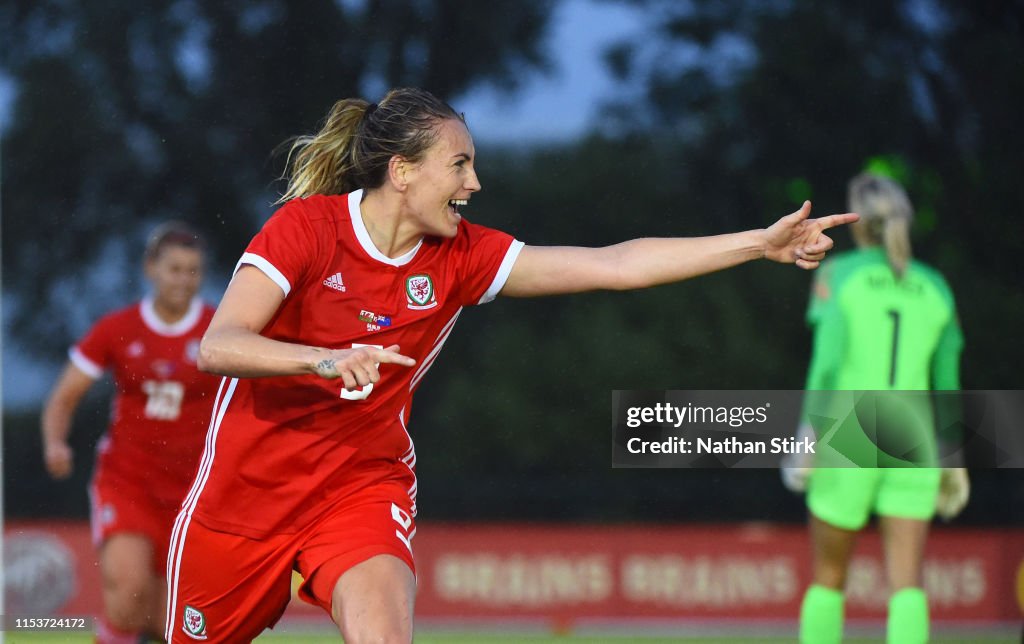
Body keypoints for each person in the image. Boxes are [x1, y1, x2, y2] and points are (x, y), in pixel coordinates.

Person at [164, 87, 857, 644]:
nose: (476, 181)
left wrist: (754, 244)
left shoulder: (463, 254)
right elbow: (218, 345)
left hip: (358, 486)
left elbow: (614, 265)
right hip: (242, 494)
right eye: (459, 164)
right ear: (402, 172)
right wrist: (323, 360)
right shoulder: (307, 230)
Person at [783, 172, 969, 644]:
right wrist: (955, 457)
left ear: (856, 221)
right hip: (916, 437)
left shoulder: (837, 275)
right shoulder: (936, 287)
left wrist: (806, 434)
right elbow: (946, 383)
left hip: (848, 433)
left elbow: (825, 367)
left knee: (829, 578)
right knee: (907, 585)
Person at [41, 222, 218, 644]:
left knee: (167, 623)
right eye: (174, 269)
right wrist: (55, 441)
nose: (183, 279)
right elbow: (63, 397)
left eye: (193, 271)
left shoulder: (219, 330)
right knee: (128, 592)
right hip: (128, 482)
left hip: (195, 491)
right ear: (150, 269)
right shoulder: (118, 328)